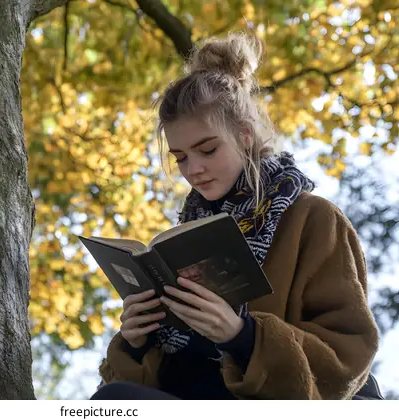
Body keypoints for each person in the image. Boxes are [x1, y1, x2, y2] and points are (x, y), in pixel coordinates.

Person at [90, 33, 382, 400]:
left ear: (244, 135)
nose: (193, 169)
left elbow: (348, 361)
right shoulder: (182, 242)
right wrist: (135, 342)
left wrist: (242, 336)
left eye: (207, 150)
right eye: (180, 157)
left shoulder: (313, 219)